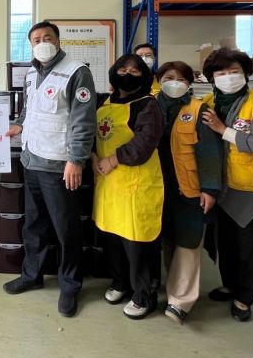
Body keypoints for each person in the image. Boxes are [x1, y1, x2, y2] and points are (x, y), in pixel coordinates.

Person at [2, 21, 97, 318]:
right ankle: (32, 275)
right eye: (36, 39)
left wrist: (76, 160)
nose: (42, 42)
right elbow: (29, 107)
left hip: (59, 165)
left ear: (57, 40)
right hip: (31, 159)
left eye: (47, 37)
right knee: (34, 224)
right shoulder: (31, 73)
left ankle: (70, 284)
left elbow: (84, 120)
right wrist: (19, 123)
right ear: (30, 44)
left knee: (66, 228)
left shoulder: (76, 72)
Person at [200, 47, 253, 322]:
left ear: (245, 74)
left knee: (247, 247)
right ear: (211, 77)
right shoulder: (207, 101)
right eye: (221, 72)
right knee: (225, 243)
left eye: (234, 72)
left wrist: (224, 130)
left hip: (247, 187)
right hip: (218, 186)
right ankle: (229, 284)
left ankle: (244, 298)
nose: (228, 76)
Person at [92, 53, 164, 320]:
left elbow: (144, 144)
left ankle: (143, 295)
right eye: (123, 69)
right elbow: (91, 134)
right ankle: (119, 283)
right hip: (108, 184)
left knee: (136, 242)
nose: (128, 73)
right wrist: (94, 158)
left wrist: (113, 159)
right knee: (111, 237)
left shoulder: (148, 105)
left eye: (135, 71)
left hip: (136, 184)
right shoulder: (103, 102)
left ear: (144, 76)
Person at [155, 61, 222, 325]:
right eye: (168, 77)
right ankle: (168, 287)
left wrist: (209, 188)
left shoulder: (198, 110)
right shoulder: (150, 106)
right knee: (164, 239)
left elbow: (208, 152)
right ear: (159, 81)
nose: (174, 82)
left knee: (187, 243)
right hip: (156, 188)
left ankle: (180, 301)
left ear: (189, 83)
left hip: (188, 189)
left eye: (181, 79)